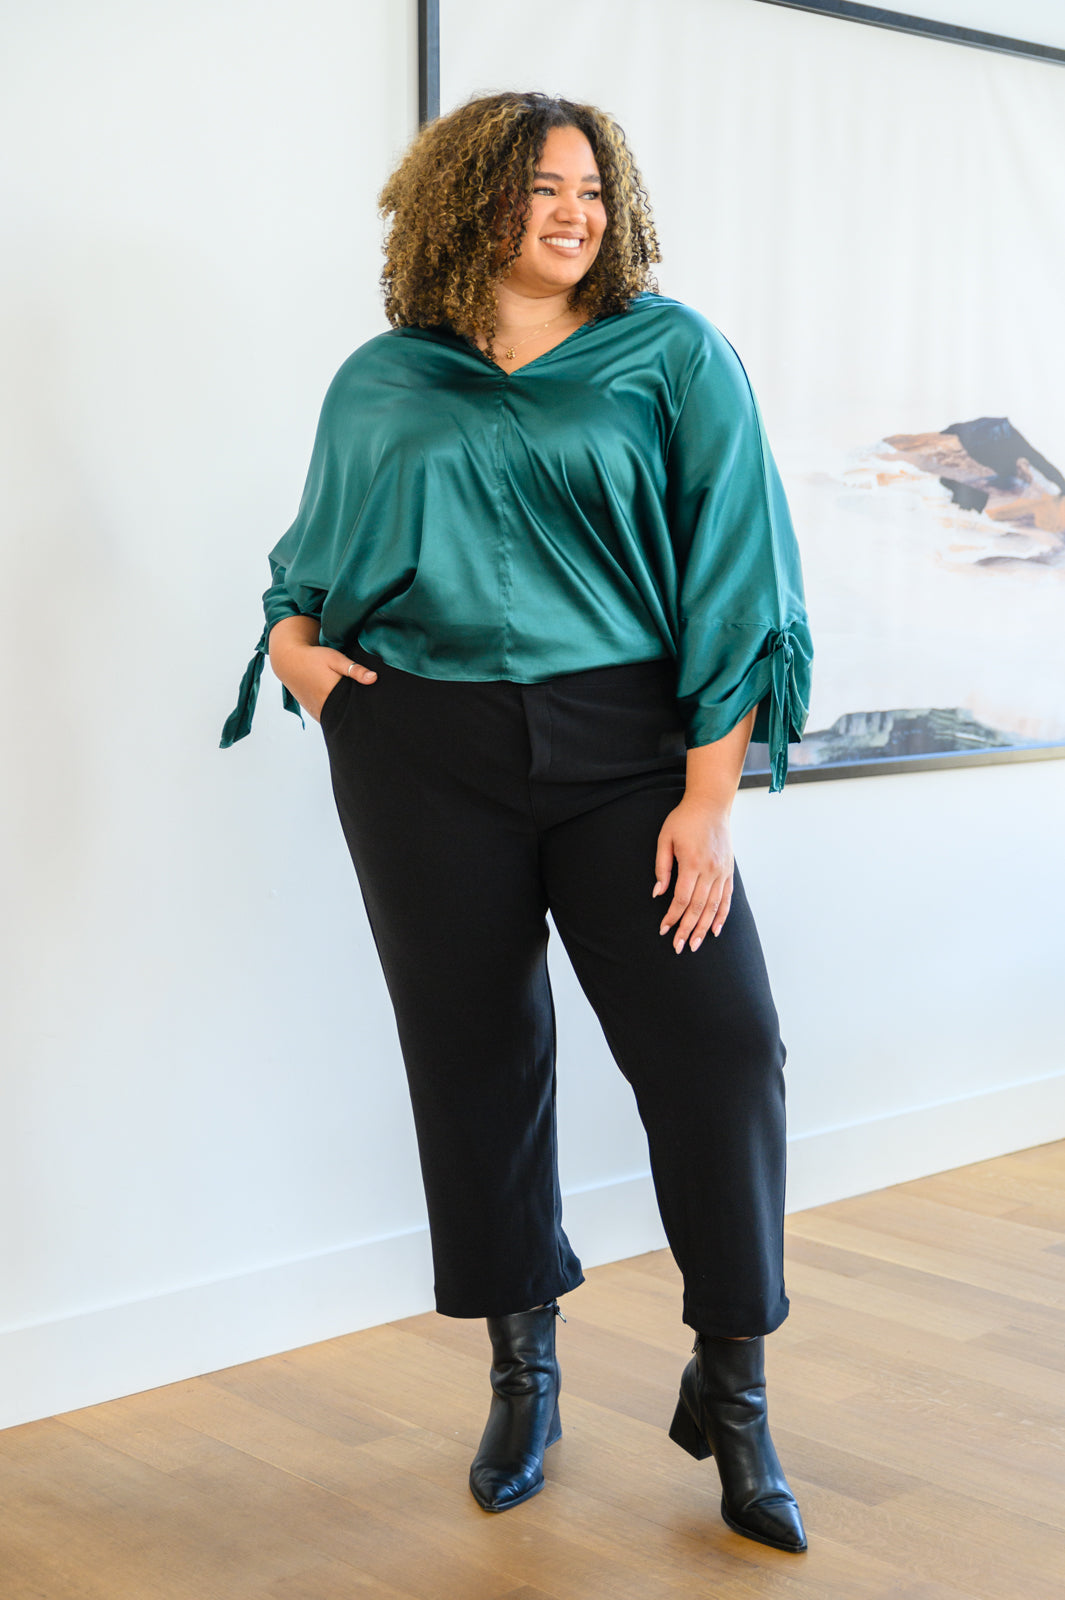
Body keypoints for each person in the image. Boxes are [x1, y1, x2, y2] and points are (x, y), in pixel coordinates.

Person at [222, 90, 813, 1555]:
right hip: (423, 753)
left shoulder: (671, 355)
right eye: (541, 186)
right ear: (465, 203)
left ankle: (733, 1391)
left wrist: (706, 800)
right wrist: (299, 658)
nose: (574, 212)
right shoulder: (385, 376)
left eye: (592, 190)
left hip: (627, 750)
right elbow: (313, 560)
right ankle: (521, 1375)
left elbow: (738, 579)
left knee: (721, 1048)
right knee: (475, 1057)